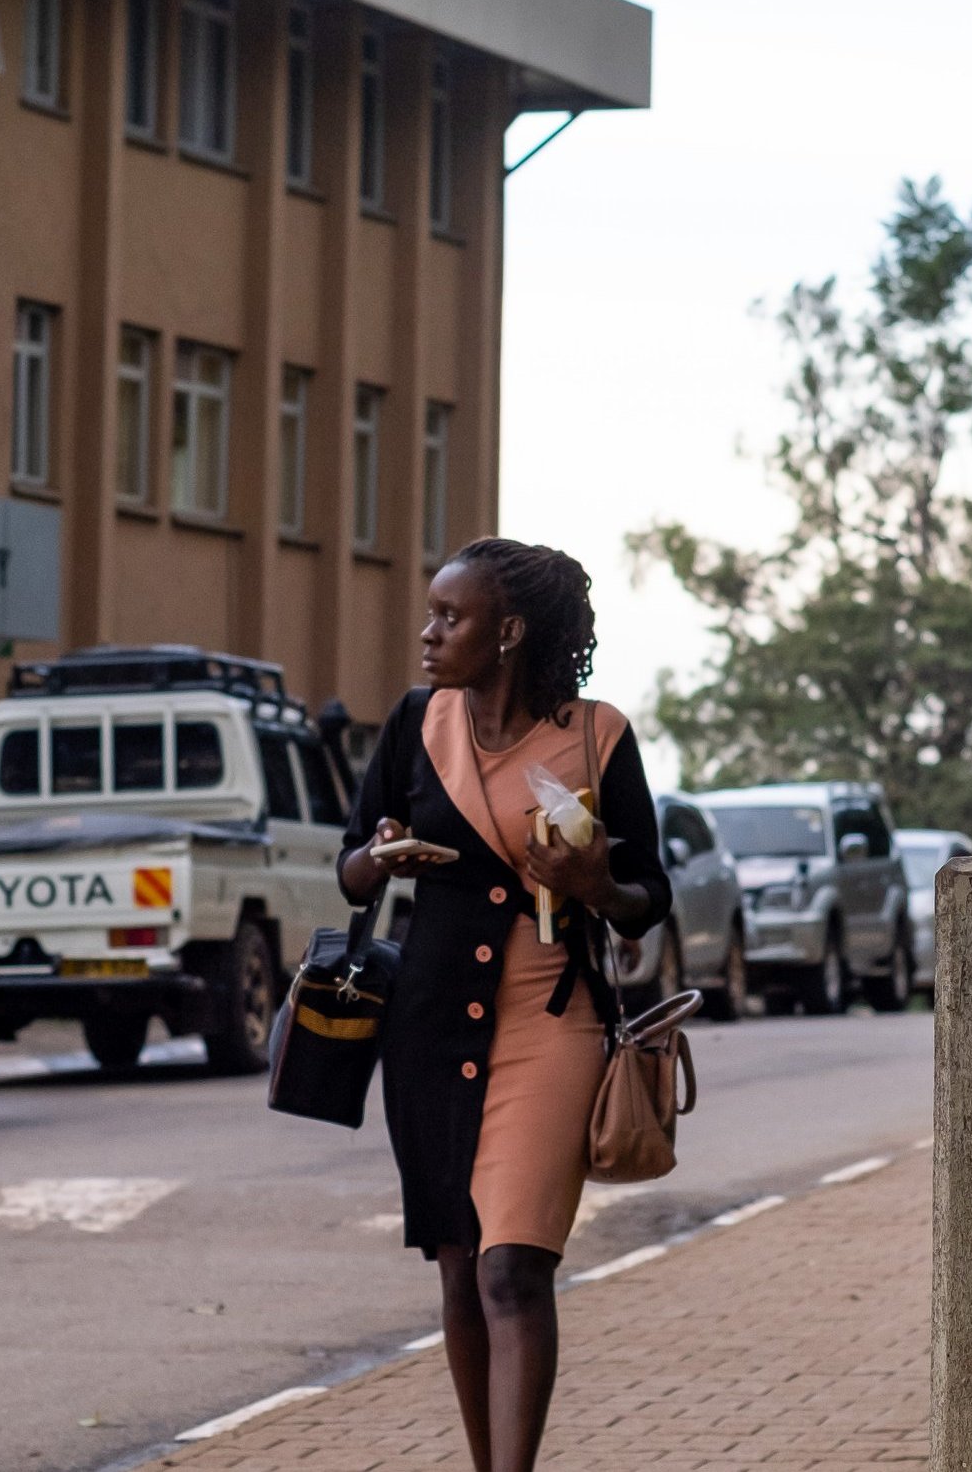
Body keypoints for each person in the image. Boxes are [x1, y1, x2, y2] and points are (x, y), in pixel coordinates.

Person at [337, 538, 673, 1472]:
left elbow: (651, 891)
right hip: (430, 1026)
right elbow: (352, 867)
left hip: (552, 1020)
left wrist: (596, 882)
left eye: (452, 617)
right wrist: (382, 855)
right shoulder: (415, 724)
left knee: (512, 1269)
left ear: (511, 631)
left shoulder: (596, 736)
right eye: (433, 613)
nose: (429, 632)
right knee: (457, 1265)